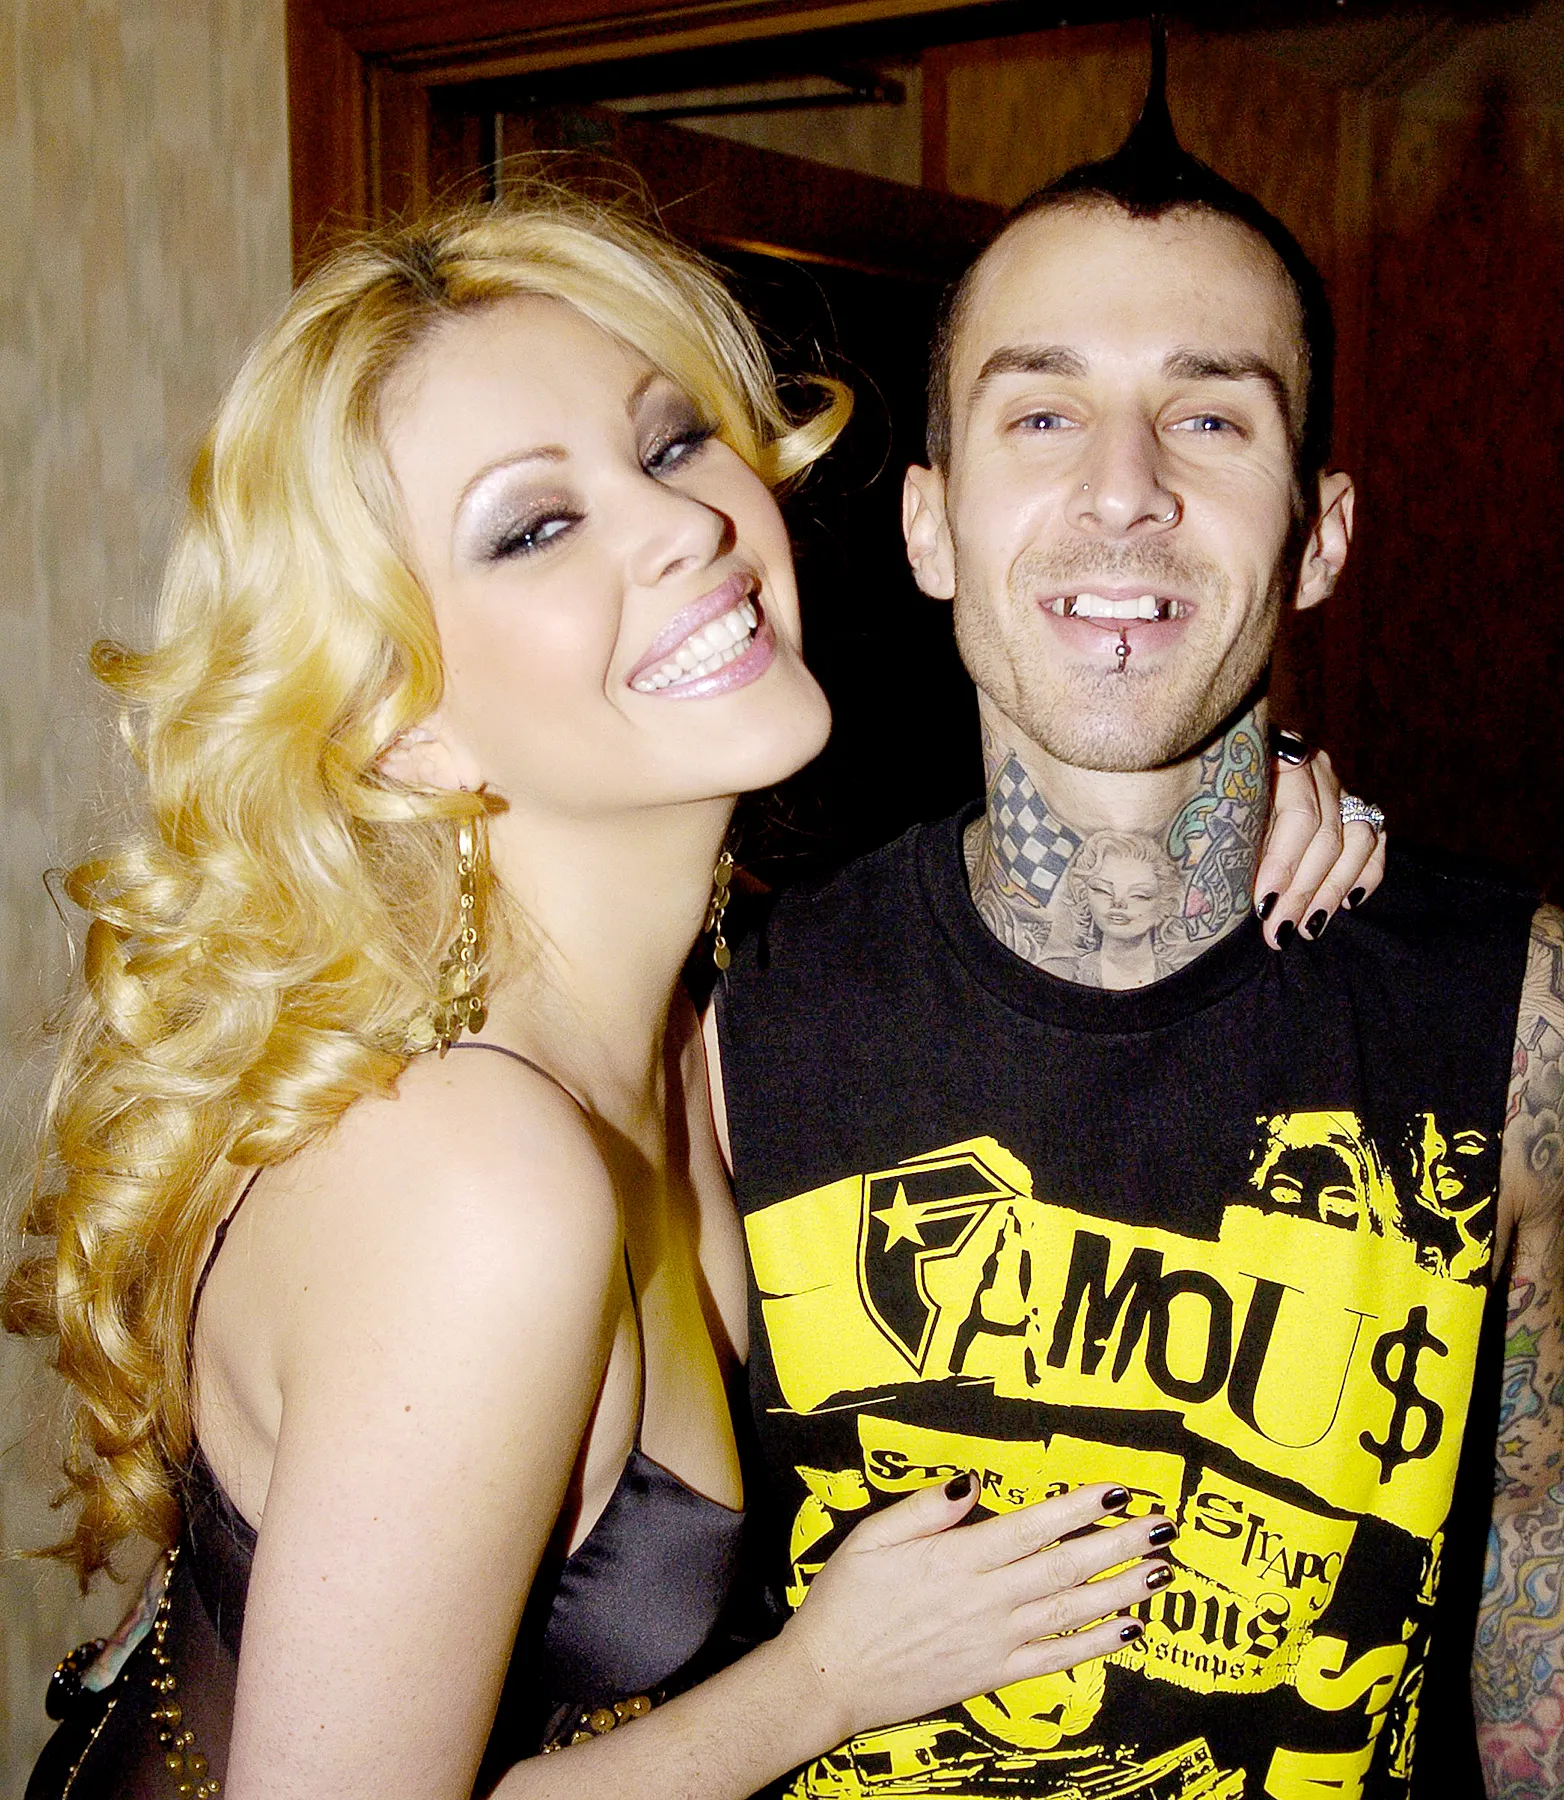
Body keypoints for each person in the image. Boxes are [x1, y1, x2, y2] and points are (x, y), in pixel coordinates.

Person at [6, 189, 1378, 1800]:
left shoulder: (701, 1029)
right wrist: (828, 1681)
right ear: (396, 718)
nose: (680, 525)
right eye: (533, 527)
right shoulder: (472, 1175)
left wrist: (1249, 796)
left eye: (670, 444)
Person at [708, 56, 1562, 1800]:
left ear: (1317, 537)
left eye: (1212, 418)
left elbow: (1531, 1620)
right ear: (930, 525)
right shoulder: (722, 1033)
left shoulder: (1518, 1011)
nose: (1124, 490)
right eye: (1041, 415)